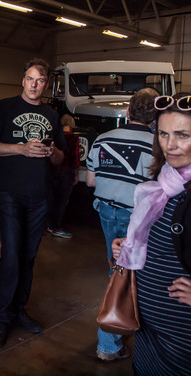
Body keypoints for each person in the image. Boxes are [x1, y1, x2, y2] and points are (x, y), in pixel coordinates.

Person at [0, 57, 65, 347]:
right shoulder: (5, 107)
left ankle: (19, 312)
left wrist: (51, 153)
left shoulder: (52, 115)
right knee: (12, 255)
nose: (34, 85)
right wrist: (22, 149)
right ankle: (2, 320)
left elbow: (61, 157)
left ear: (46, 84)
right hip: (10, 194)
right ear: (23, 80)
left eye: (40, 80)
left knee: (28, 257)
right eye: (30, 78)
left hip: (41, 196)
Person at [112, 93, 191, 375]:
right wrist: (127, 246)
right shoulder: (163, 183)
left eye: (183, 135)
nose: (170, 145)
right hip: (147, 331)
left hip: (182, 340)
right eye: (163, 134)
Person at [86, 88, 157, 362]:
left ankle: (113, 333)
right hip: (137, 217)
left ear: (128, 111)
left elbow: (91, 181)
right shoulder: (157, 145)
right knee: (137, 274)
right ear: (154, 117)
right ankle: (111, 342)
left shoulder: (102, 139)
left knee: (116, 270)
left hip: (106, 212)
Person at [47, 114, 80, 239]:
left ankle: (49, 224)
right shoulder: (74, 138)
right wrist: (76, 176)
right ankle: (56, 226)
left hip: (52, 172)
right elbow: (75, 159)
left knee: (51, 199)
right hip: (66, 174)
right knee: (61, 202)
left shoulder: (55, 137)